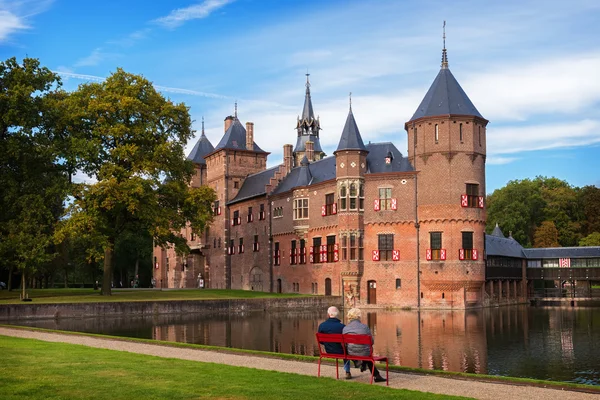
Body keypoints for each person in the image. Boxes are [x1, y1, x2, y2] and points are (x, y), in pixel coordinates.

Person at [343, 307, 386, 382]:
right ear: (359, 316)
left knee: (361, 351)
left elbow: (345, 343)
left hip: (351, 352)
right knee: (366, 352)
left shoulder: (345, 328)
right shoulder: (364, 327)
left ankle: (361, 363)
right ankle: (376, 375)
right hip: (365, 352)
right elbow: (371, 342)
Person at [317, 306, 353, 379]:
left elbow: (320, 341)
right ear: (337, 315)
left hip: (328, 350)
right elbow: (347, 341)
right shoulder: (342, 327)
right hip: (341, 352)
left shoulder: (322, 326)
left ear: (328, 314)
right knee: (346, 350)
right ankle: (347, 372)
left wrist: (328, 344)